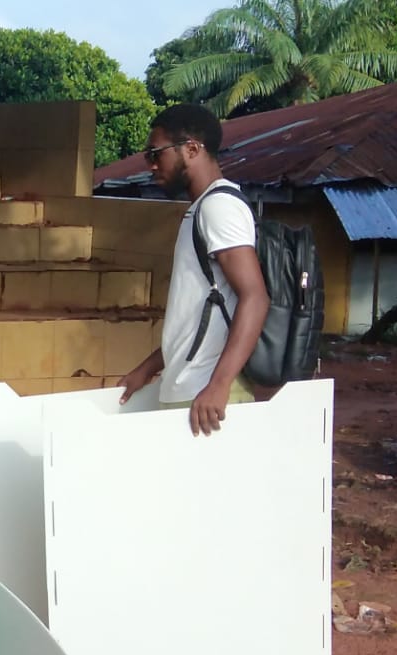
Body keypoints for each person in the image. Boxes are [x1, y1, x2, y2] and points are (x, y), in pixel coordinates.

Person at [117, 104, 270, 436]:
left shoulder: (219, 207)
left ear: (191, 149)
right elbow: (195, 316)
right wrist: (148, 368)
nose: (151, 164)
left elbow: (255, 297)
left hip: (206, 399)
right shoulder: (202, 209)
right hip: (190, 390)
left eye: (156, 153)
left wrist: (219, 385)